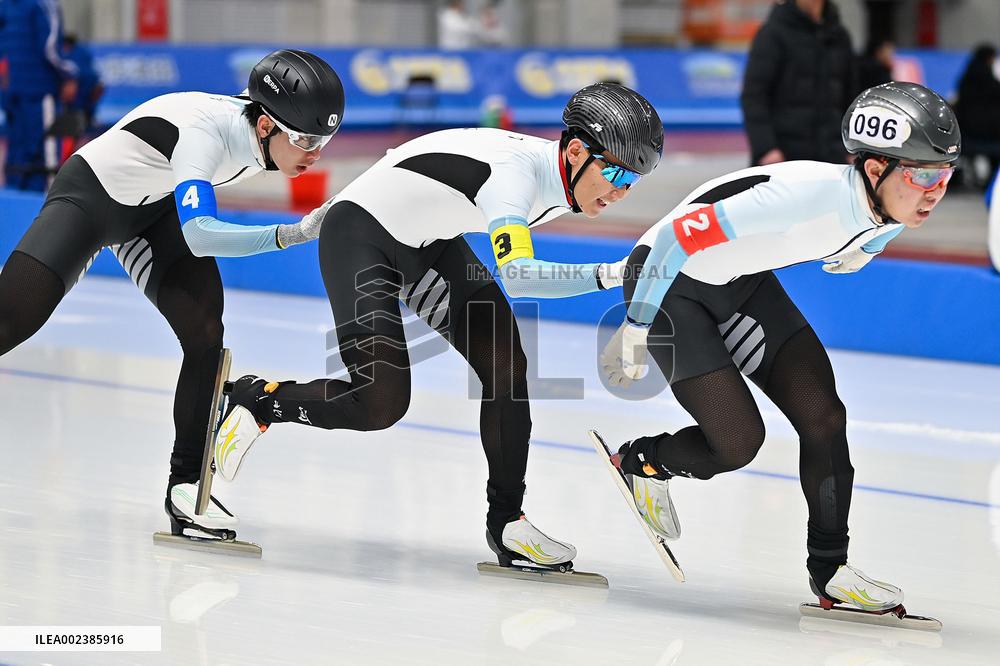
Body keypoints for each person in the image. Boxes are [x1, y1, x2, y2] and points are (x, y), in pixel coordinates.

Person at [212, 82, 664, 572]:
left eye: (633, 181)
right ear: (575, 151)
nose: (620, 191)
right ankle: (257, 399)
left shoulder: (563, 175)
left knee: (507, 367)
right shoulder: (514, 178)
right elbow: (518, 274)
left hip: (427, 242)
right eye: (616, 173)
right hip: (360, 235)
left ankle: (508, 522)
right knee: (380, 402)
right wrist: (611, 274)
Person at [599, 82, 959, 612]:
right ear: (875, 168)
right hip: (667, 284)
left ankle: (830, 569)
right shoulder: (801, 199)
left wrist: (873, 243)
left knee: (823, 416)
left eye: (945, 176)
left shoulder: (882, 201)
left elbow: (888, 218)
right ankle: (643, 462)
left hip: (741, 282)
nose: (935, 191)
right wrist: (636, 323)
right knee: (739, 443)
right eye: (923, 174)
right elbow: (676, 238)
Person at [0, 49, 345, 540]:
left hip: (154, 210)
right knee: (10, 322)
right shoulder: (204, 134)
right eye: (306, 140)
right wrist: (289, 235)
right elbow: (202, 234)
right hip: (90, 199)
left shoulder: (263, 126)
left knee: (207, 334)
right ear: (266, 126)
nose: (314, 155)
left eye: (324, 142)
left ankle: (187, 489)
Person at [740, 0, 856, 166]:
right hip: (784, 158)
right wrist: (766, 148)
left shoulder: (840, 36)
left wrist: (852, 148)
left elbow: (851, 97)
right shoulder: (773, 33)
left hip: (832, 157)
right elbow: (754, 95)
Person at [0, 0, 78, 191]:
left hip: (14, 92)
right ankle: (49, 209)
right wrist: (70, 74)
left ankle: (15, 209)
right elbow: (51, 50)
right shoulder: (43, 5)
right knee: (46, 154)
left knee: (18, 155)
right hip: (40, 91)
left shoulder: (7, 4)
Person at [954, 44, 1000, 188]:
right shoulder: (991, 83)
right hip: (987, 135)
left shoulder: (965, 79)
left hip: (965, 133)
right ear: (989, 59)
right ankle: (993, 181)